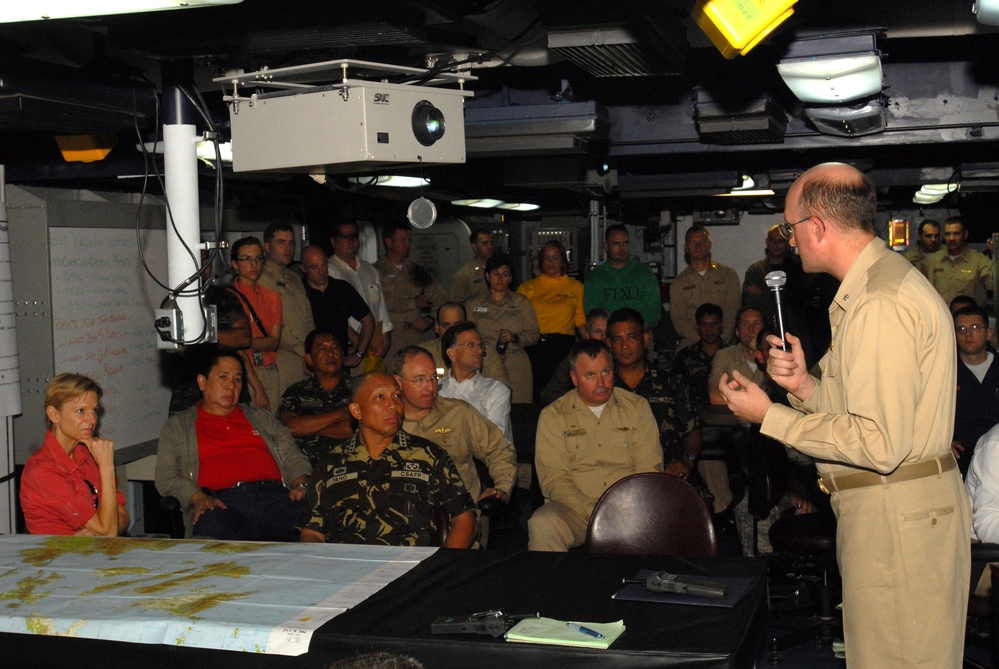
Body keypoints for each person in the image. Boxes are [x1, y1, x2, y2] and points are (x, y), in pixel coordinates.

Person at [718, 162, 970, 669]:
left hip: (896, 517)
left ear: (818, 226)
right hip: (895, 514)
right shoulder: (876, 288)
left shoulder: (880, 302)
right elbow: (868, 407)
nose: (789, 241)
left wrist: (770, 414)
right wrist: (805, 386)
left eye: (790, 228)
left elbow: (880, 442)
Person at [299, 372, 476, 547]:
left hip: (410, 568)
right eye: (380, 397)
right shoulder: (331, 463)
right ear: (356, 410)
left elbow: (464, 519)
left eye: (397, 396)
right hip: (346, 567)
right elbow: (312, 532)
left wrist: (441, 569)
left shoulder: (428, 455)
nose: (393, 405)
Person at [155, 349, 312, 540]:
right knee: (210, 527)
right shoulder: (178, 426)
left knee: (314, 522)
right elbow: (166, 477)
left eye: (237, 380)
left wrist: (301, 484)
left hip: (274, 498)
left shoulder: (261, 418)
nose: (231, 386)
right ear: (202, 382)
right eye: (223, 377)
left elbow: (295, 458)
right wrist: (197, 497)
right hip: (221, 503)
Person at [528, 339, 663, 551]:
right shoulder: (554, 415)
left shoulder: (637, 408)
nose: (601, 382)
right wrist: (596, 512)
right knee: (543, 524)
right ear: (574, 378)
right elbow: (554, 480)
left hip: (629, 510)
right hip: (576, 512)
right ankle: (552, 584)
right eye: (590, 375)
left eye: (606, 372)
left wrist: (622, 512)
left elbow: (649, 471)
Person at [606, 308, 708, 501]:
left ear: (644, 339)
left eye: (631, 337)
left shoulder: (671, 383)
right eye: (617, 339)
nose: (625, 346)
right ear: (608, 344)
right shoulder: (602, 388)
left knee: (697, 506)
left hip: (668, 473)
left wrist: (687, 460)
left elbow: (692, 431)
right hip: (615, 476)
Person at [394, 346, 516, 508]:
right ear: (398, 382)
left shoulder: (458, 413)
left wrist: (501, 488)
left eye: (433, 378)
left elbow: (499, 450)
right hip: (402, 516)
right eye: (420, 380)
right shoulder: (386, 422)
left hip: (459, 512)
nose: (430, 388)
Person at [20, 373, 129, 536]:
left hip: (92, 555)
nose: (92, 419)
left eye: (94, 410)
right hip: (57, 558)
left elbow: (123, 517)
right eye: (81, 411)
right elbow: (108, 532)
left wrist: (97, 532)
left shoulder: (87, 453)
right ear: (54, 415)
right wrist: (106, 467)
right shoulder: (42, 471)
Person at [463, 251, 539, 404]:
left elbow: (534, 334)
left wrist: (515, 337)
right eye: (495, 273)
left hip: (515, 362)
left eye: (505, 274)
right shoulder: (474, 304)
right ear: (487, 276)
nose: (500, 278)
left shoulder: (521, 303)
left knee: (519, 410)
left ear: (510, 278)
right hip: (485, 361)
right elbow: (464, 335)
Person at [517, 240, 585, 403]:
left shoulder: (576, 287)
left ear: (562, 261)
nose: (551, 262)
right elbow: (517, 321)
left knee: (562, 395)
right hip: (535, 347)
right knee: (536, 394)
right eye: (547, 258)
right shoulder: (528, 287)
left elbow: (581, 322)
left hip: (563, 348)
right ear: (541, 261)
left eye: (555, 258)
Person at [374, 219, 448, 363]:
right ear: (389, 242)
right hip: (388, 341)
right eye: (402, 240)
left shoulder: (417, 271)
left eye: (409, 240)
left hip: (415, 339)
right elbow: (380, 301)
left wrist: (429, 319)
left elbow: (441, 299)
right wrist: (413, 302)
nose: (408, 244)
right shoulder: (375, 271)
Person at [278, 329, 355, 465]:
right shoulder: (297, 391)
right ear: (309, 359)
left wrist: (307, 428)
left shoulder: (359, 388)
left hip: (351, 466)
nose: (331, 354)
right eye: (322, 349)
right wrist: (339, 415)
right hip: (308, 468)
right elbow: (289, 427)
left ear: (343, 355)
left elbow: (353, 429)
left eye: (335, 348)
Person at [327, 221, 393, 373]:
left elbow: (381, 308)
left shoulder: (369, 270)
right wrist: (362, 346)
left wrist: (385, 340)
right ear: (333, 241)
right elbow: (338, 318)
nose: (352, 241)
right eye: (345, 237)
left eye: (354, 236)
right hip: (351, 349)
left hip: (376, 348)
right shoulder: (329, 271)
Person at [258, 222, 315, 395]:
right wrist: (304, 353)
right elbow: (278, 326)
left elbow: (308, 317)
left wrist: (314, 350)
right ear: (267, 247)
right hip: (282, 360)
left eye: (291, 243)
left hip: (306, 358)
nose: (288, 248)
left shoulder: (294, 278)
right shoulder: (261, 280)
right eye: (281, 242)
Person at [228, 235, 283, 411]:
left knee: (271, 425)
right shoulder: (229, 298)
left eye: (259, 259)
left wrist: (244, 340)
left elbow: (274, 342)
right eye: (247, 259)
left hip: (269, 367)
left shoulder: (272, 295)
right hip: (242, 371)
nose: (254, 265)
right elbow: (237, 347)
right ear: (235, 264)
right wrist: (258, 388)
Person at [437, 321, 513, 442]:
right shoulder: (436, 390)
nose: (479, 351)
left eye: (480, 346)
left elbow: (498, 439)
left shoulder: (495, 390)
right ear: (452, 353)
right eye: (471, 345)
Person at [300, 245, 374, 369]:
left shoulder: (341, 288)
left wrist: (359, 354)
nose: (321, 272)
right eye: (314, 267)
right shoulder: (299, 291)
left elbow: (368, 320)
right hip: (312, 364)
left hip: (339, 363)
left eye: (324, 265)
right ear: (303, 268)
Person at [669, 225, 741, 351]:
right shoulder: (679, 283)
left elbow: (733, 311)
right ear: (686, 248)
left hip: (725, 342)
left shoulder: (728, 275)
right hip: (692, 343)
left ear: (709, 245)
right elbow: (678, 319)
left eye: (702, 242)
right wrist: (702, 341)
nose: (698, 247)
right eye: (692, 243)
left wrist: (721, 339)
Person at [582, 224, 661, 330]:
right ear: (606, 246)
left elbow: (653, 311)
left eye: (625, 243)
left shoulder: (644, 273)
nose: (621, 248)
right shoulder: (595, 278)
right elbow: (592, 314)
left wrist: (634, 334)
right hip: (607, 338)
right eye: (616, 244)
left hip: (640, 335)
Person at [951, 304, 999, 477]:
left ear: (988, 333)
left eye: (975, 328)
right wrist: (943, 441)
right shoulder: (945, 372)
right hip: (961, 459)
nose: (968, 334)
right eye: (961, 329)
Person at [420, 302, 509, 386]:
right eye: (446, 325)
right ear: (437, 327)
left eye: (457, 325)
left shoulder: (485, 353)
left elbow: (501, 388)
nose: (452, 330)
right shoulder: (422, 354)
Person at [540, 308, 609, 406]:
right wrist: (578, 403)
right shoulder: (573, 360)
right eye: (597, 331)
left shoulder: (621, 359)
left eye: (607, 332)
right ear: (587, 334)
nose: (603, 337)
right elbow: (549, 394)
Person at [921, 215, 993, 308]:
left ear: (965, 234)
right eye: (947, 234)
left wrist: (995, 253)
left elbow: (993, 285)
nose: (951, 238)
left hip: (970, 318)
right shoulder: (931, 262)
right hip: (942, 319)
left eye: (956, 234)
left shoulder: (979, 261)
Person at [707, 306, 766, 406]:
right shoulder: (726, 356)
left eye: (756, 323)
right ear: (737, 332)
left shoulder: (774, 355)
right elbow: (715, 396)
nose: (751, 329)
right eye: (745, 324)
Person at [671, 303, 723, 410]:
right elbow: (675, 391)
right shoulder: (684, 356)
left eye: (714, 324)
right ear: (697, 328)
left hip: (726, 416)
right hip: (693, 416)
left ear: (721, 326)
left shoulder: (732, 355)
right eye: (704, 325)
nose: (709, 329)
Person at [450, 227, 493, 304]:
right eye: (484, 243)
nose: (489, 246)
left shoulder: (498, 271)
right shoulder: (464, 275)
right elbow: (456, 305)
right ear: (474, 247)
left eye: (491, 243)